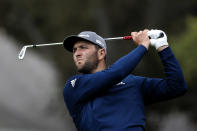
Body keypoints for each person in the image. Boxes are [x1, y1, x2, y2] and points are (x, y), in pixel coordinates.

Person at [62, 29, 187, 131]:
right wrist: (143, 46)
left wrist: (162, 46)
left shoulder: (132, 82)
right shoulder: (74, 85)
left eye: (83, 47)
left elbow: (176, 87)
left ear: (101, 53)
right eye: (74, 50)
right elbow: (114, 74)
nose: (77, 53)